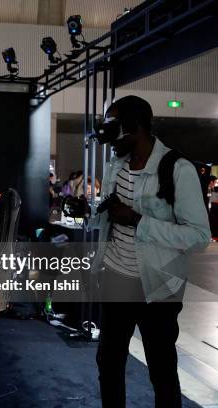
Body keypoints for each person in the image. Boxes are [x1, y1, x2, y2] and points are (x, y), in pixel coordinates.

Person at [92, 95, 210, 408]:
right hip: (117, 279)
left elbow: (199, 236)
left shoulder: (177, 169)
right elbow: (111, 218)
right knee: (108, 363)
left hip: (158, 287)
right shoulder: (117, 165)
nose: (108, 135)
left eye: (113, 126)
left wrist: (137, 220)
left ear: (135, 127)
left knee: (161, 370)